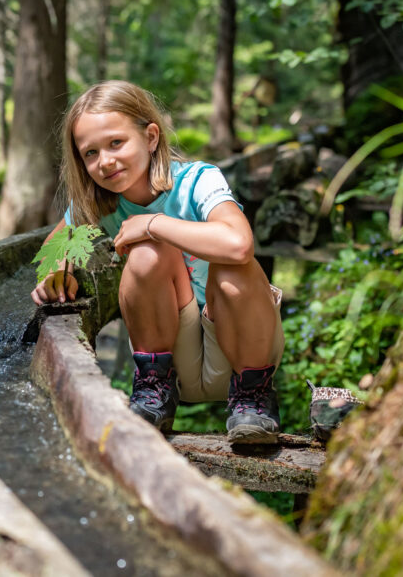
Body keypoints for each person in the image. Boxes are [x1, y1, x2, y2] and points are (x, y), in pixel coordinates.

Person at [31, 80, 284, 444]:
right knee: (148, 253)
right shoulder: (100, 203)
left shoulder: (198, 180)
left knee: (230, 262)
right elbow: (57, 244)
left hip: (243, 349)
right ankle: (153, 390)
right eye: (90, 153)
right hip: (171, 357)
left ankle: (255, 399)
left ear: (151, 137)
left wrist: (153, 224)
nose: (105, 161)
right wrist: (56, 272)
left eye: (116, 143)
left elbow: (240, 245)